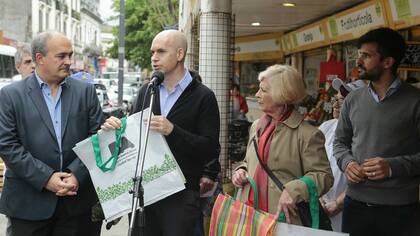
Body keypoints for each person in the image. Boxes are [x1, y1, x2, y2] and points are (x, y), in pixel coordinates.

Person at [102, 30, 220, 236]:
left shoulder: (204, 97)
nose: (154, 58)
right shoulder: (147, 91)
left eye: (161, 51)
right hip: (145, 192)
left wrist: (173, 131)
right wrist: (117, 128)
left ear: (180, 54)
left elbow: (209, 147)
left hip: (181, 195)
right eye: (152, 52)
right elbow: (135, 136)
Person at [0, 31, 103, 236]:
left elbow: (97, 138)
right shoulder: (11, 96)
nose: (68, 61)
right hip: (28, 205)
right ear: (40, 58)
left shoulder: (85, 92)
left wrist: (76, 175)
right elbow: (7, 145)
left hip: (75, 203)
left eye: (70, 55)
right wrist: (46, 178)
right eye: (61, 56)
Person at [334, 27, 420, 236]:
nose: (358, 61)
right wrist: (348, 163)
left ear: (387, 62)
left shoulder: (416, 101)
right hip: (355, 205)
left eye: (366, 55)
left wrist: (391, 167)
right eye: (359, 55)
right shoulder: (353, 100)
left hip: (400, 210)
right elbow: (340, 143)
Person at [231, 64, 333, 225]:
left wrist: (295, 190)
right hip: (250, 216)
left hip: (284, 221)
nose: (257, 95)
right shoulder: (256, 126)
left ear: (282, 95)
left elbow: (324, 176)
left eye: (263, 90)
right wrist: (241, 170)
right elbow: (250, 162)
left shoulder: (308, 134)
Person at [319, 78, 366, 232]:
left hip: (350, 210)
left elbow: (366, 176)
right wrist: (316, 196)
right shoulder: (326, 127)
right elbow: (311, 164)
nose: (335, 105)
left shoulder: (366, 134)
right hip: (320, 206)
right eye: (336, 99)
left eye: (343, 100)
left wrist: (338, 204)